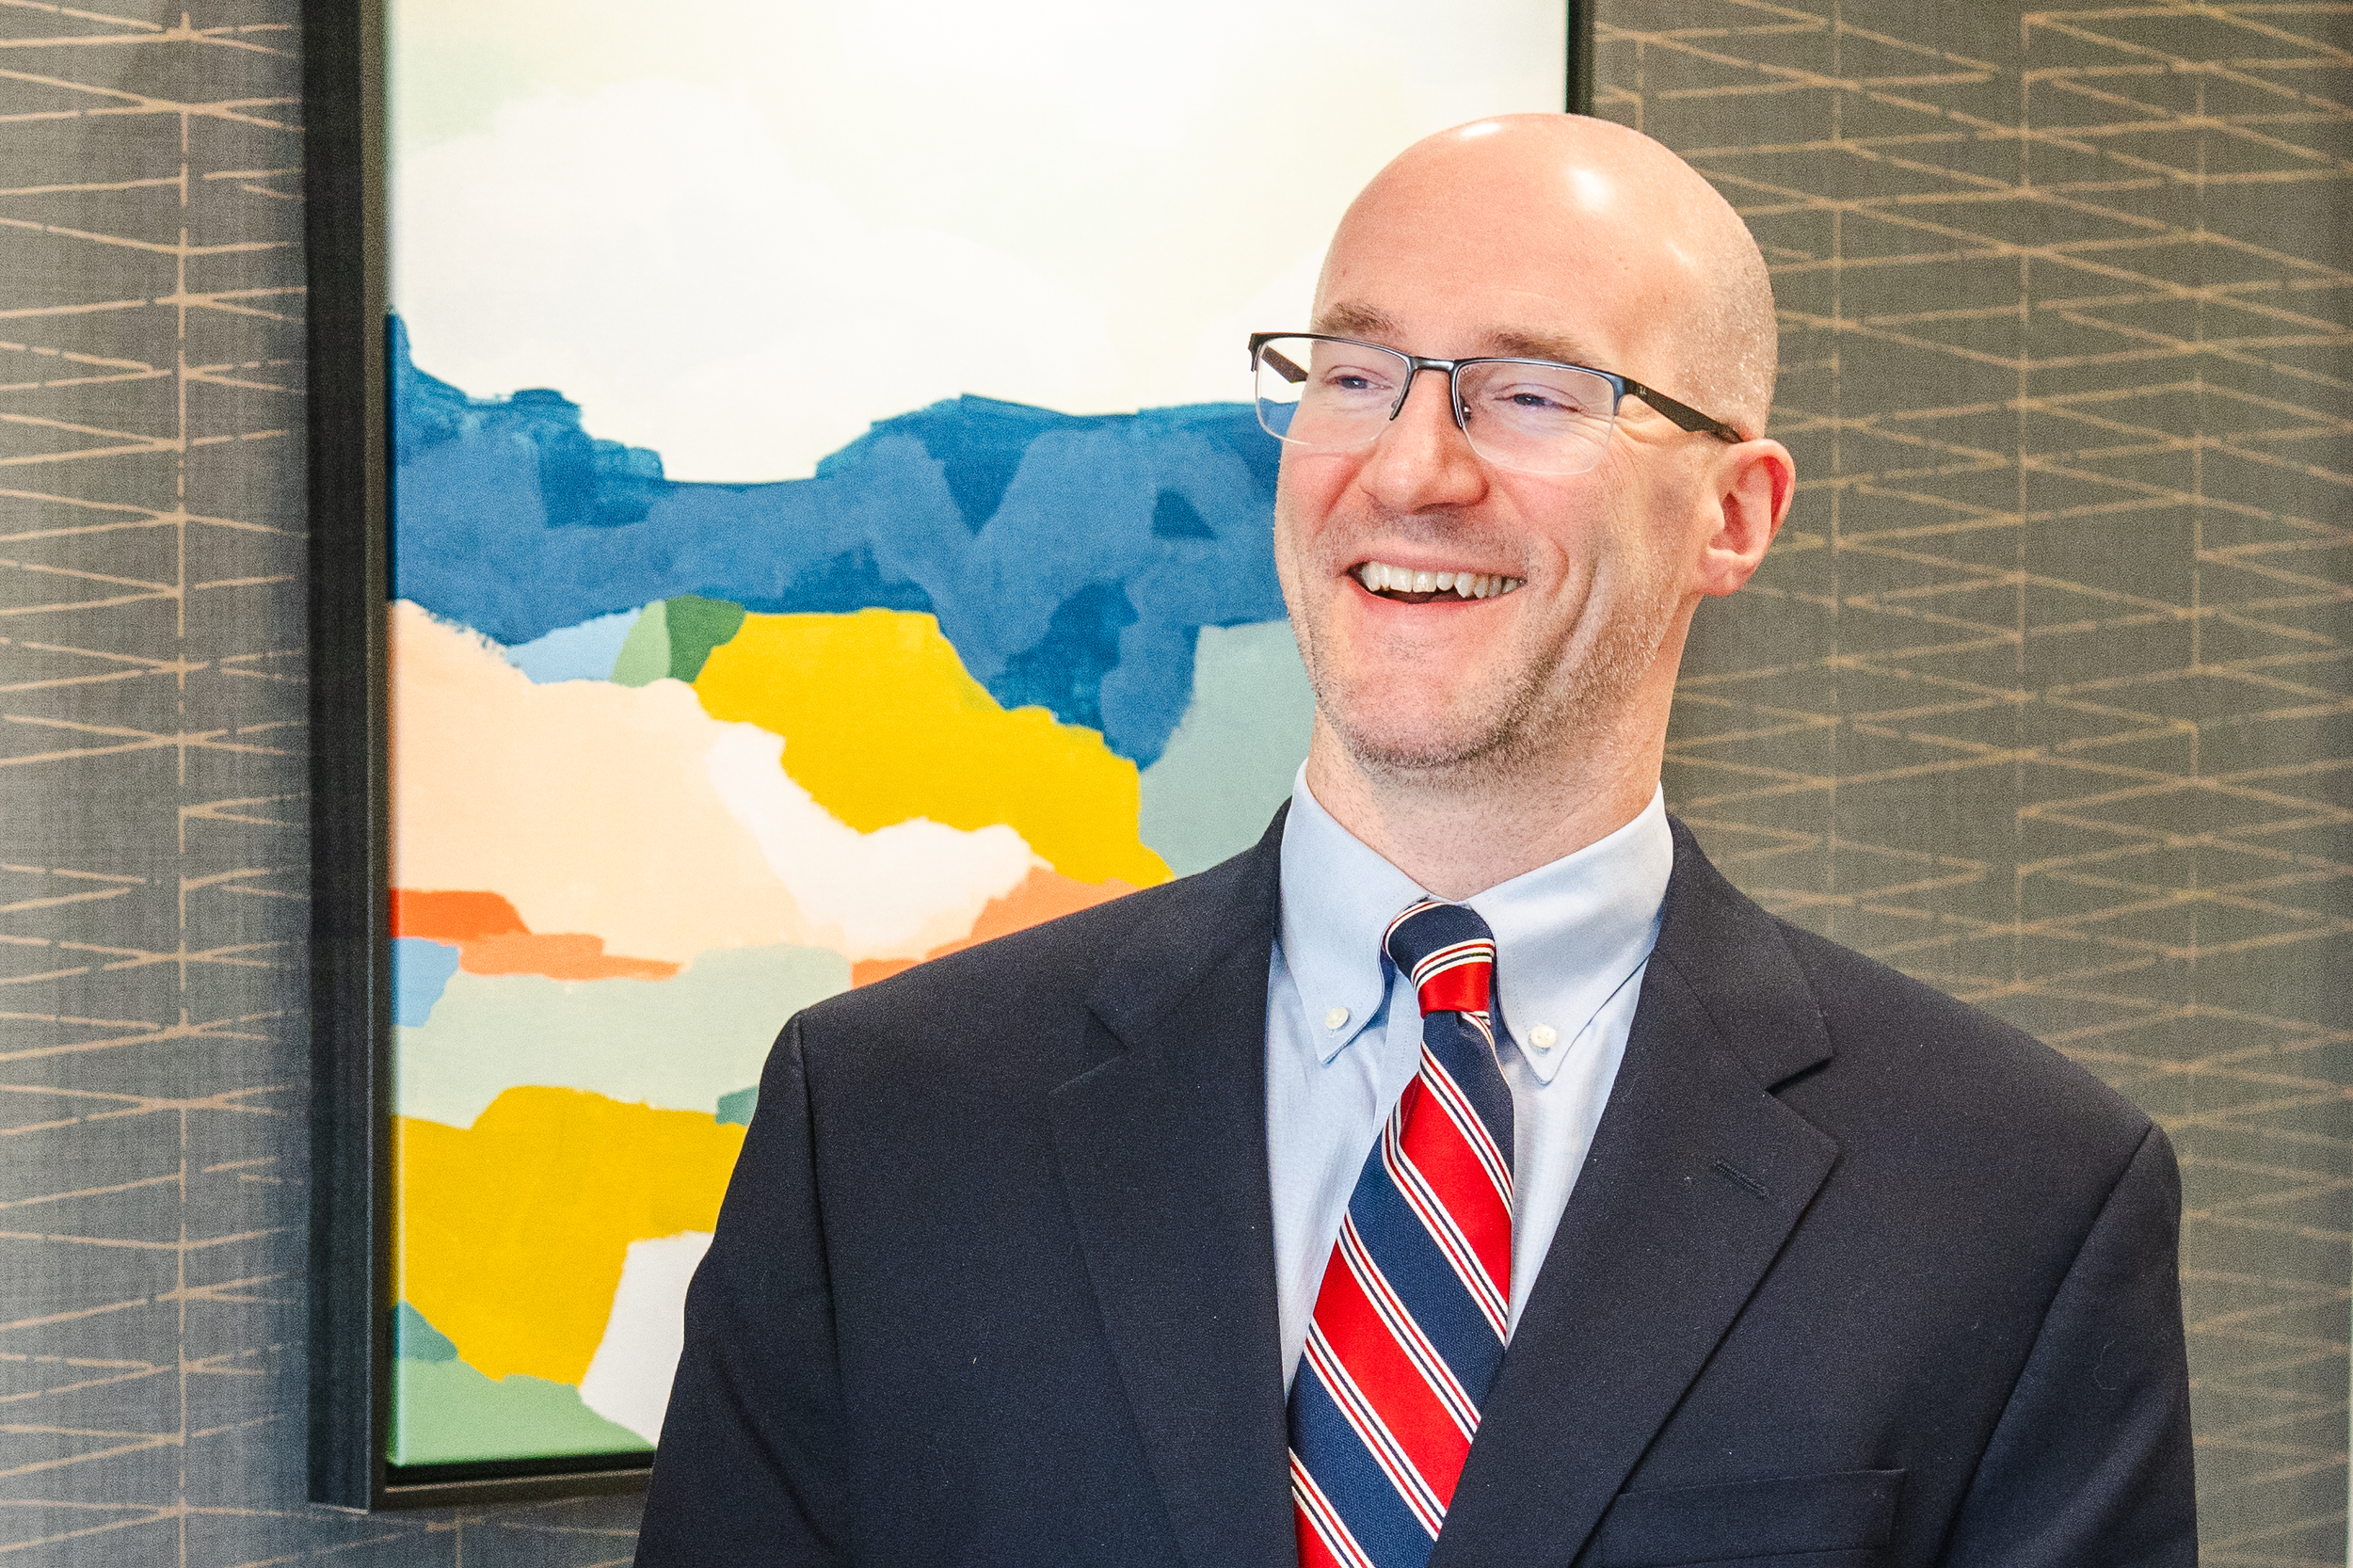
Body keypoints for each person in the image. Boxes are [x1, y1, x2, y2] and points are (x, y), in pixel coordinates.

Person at [634, 114, 2195, 1568]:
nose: (1409, 468)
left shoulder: (2021, 1196)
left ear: (1733, 513)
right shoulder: (881, 1123)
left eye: (1533, 392)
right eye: (1353, 375)